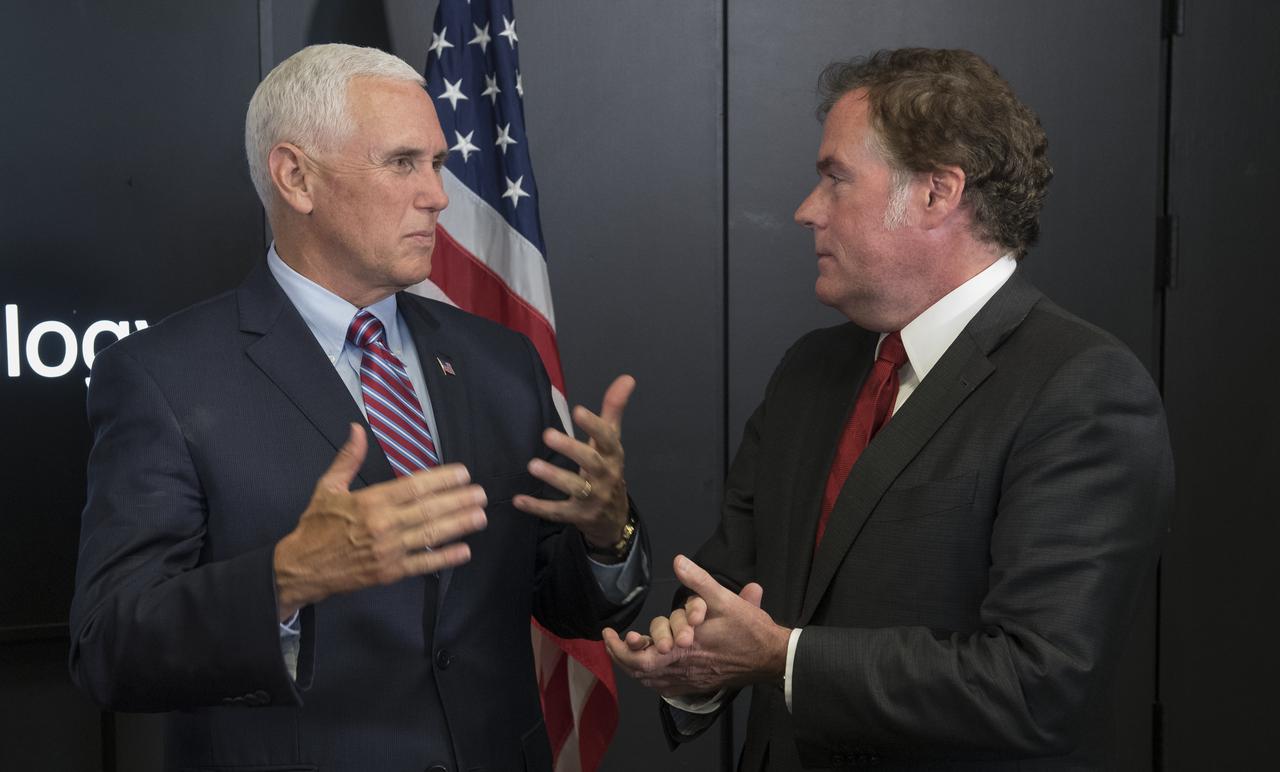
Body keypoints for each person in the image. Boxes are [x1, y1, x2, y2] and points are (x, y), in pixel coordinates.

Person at [69, 43, 648, 772]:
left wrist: (606, 533)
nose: (437, 195)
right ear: (296, 176)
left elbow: (562, 603)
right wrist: (286, 577)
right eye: (403, 163)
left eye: (437, 164)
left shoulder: (500, 363)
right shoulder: (163, 377)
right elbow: (109, 648)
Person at [604, 48, 1173, 770]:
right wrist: (688, 662)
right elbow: (729, 598)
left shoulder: (1082, 389)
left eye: (835, 179)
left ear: (937, 194)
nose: (806, 211)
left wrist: (783, 658)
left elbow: (1039, 684)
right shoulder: (809, 372)